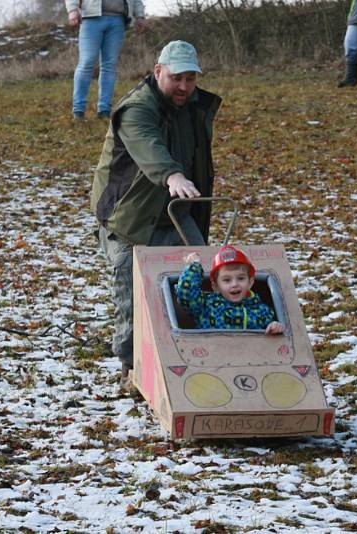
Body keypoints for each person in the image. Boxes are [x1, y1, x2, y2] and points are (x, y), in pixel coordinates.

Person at [90, 40, 222, 389]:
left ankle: (201, 360)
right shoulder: (136, 109)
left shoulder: (194, 106)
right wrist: (172, 175)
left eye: (190, 79)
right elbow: (149, 146)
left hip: (176, 214)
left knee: (207, 278)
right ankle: (131, 370)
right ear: (158, 71)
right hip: (129, 219)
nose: (183, 86)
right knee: (132, 296)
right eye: (176, 77)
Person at [66, 0, 147, 119]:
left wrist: (140, 15)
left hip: (118, 20)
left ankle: (104, 110)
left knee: (109, 65)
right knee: (87, 62)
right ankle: (78, 110)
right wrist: (72, 9)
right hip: (91, 17)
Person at [176, 247, 283, 334]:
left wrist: (273, 326)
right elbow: (185, 292)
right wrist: (194, 267)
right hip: (212, 356)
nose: (235, 284)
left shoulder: (262, 310)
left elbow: (269, 328)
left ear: (250, 282)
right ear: (215, 286)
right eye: (227, 280)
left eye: (241, 278)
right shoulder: (206, 305)